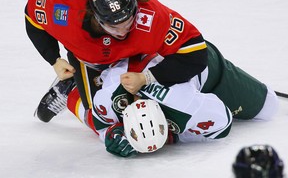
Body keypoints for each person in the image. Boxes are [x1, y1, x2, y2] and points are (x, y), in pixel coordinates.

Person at [25, 0, 208, 122]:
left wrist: (148, 77)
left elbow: (196, 54)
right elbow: (32, 11)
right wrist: (54, 59)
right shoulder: (65, 12)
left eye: (128, 21)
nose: (123, 31)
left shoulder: (150, 14)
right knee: (101, 116)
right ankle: (69, 91)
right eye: (113, 26)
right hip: (90, 61)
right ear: (95, 16)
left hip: (133, 54)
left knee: (146, 101)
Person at [66, 41, 279, 157]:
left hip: (203, 68)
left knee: (269, 106)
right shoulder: (110, 96)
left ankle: (70, 90)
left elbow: (222, 125)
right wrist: (111, 134)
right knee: (95, 114)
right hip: (135, 59)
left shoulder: (184, 104)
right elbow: (104, 124)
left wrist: (175, 138)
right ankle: (70, 90)